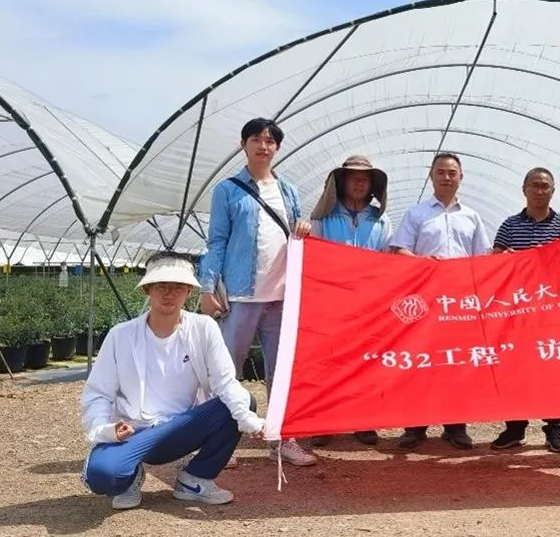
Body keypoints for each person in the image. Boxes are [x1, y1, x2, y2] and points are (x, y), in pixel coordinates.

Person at [80, 252, 265, 510]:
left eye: (178, 286)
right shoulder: (120, 336)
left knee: (243, 400)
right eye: (161, 286)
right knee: (102, 476)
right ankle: (129, 476)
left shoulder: (203, 328)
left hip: (181, 427)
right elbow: (98, 393)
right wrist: (104, 429)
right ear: (147, 289)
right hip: (134, 431)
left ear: (189, 290)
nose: (169, 294)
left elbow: (225, 382)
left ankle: (196, 478)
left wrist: (247, 419)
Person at [197, 117, 316, 466]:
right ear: (243, 145)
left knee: (280, 373)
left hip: (281, 298)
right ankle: (218, 442)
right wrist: (207, 287)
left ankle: (282, 439)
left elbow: (296, 232)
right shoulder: (228, 190)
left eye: (270, 141)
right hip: (242, 296)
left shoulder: (288, 190)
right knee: (226, 371)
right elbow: (217, 241)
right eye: (256, 140)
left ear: (277, 148)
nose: (263, 147)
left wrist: (303, 227)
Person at [390, 152, 490, 450]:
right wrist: (422, 262)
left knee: (456, 362)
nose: (447, 177)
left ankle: (456, 426)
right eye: (441, 172)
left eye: (452, 173)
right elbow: (399, 251)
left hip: (458, 304)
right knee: (420, 361)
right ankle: (415, 427)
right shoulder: (416, 214)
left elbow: (482, 258)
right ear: (431, 176)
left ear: (461, 177)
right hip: (424, 301)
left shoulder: (471, 216)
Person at [488, 167, 560, 453]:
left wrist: (550, 256)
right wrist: (508, 259)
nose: (540, 191)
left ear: (553, 191)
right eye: (535, 185)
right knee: (516, 367)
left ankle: (553, 429)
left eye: (545, 186)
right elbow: (494, 262)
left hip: (553, 309)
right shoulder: (510, 225)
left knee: (552, 369)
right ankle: (515, 427)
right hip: (518, 311)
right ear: (524, 189)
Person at [308, 155, 393, 447]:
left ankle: (363, 421)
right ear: (341, 181)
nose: (359, 182)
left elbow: (388, 261)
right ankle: (324, 422)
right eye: (353, 177)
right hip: (330, 303)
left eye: (365, 178)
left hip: (369, 304)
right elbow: (312, 256)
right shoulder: (322, 218)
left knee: (366, 362)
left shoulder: (381, 220)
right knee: (328, 362)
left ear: (373, 184)